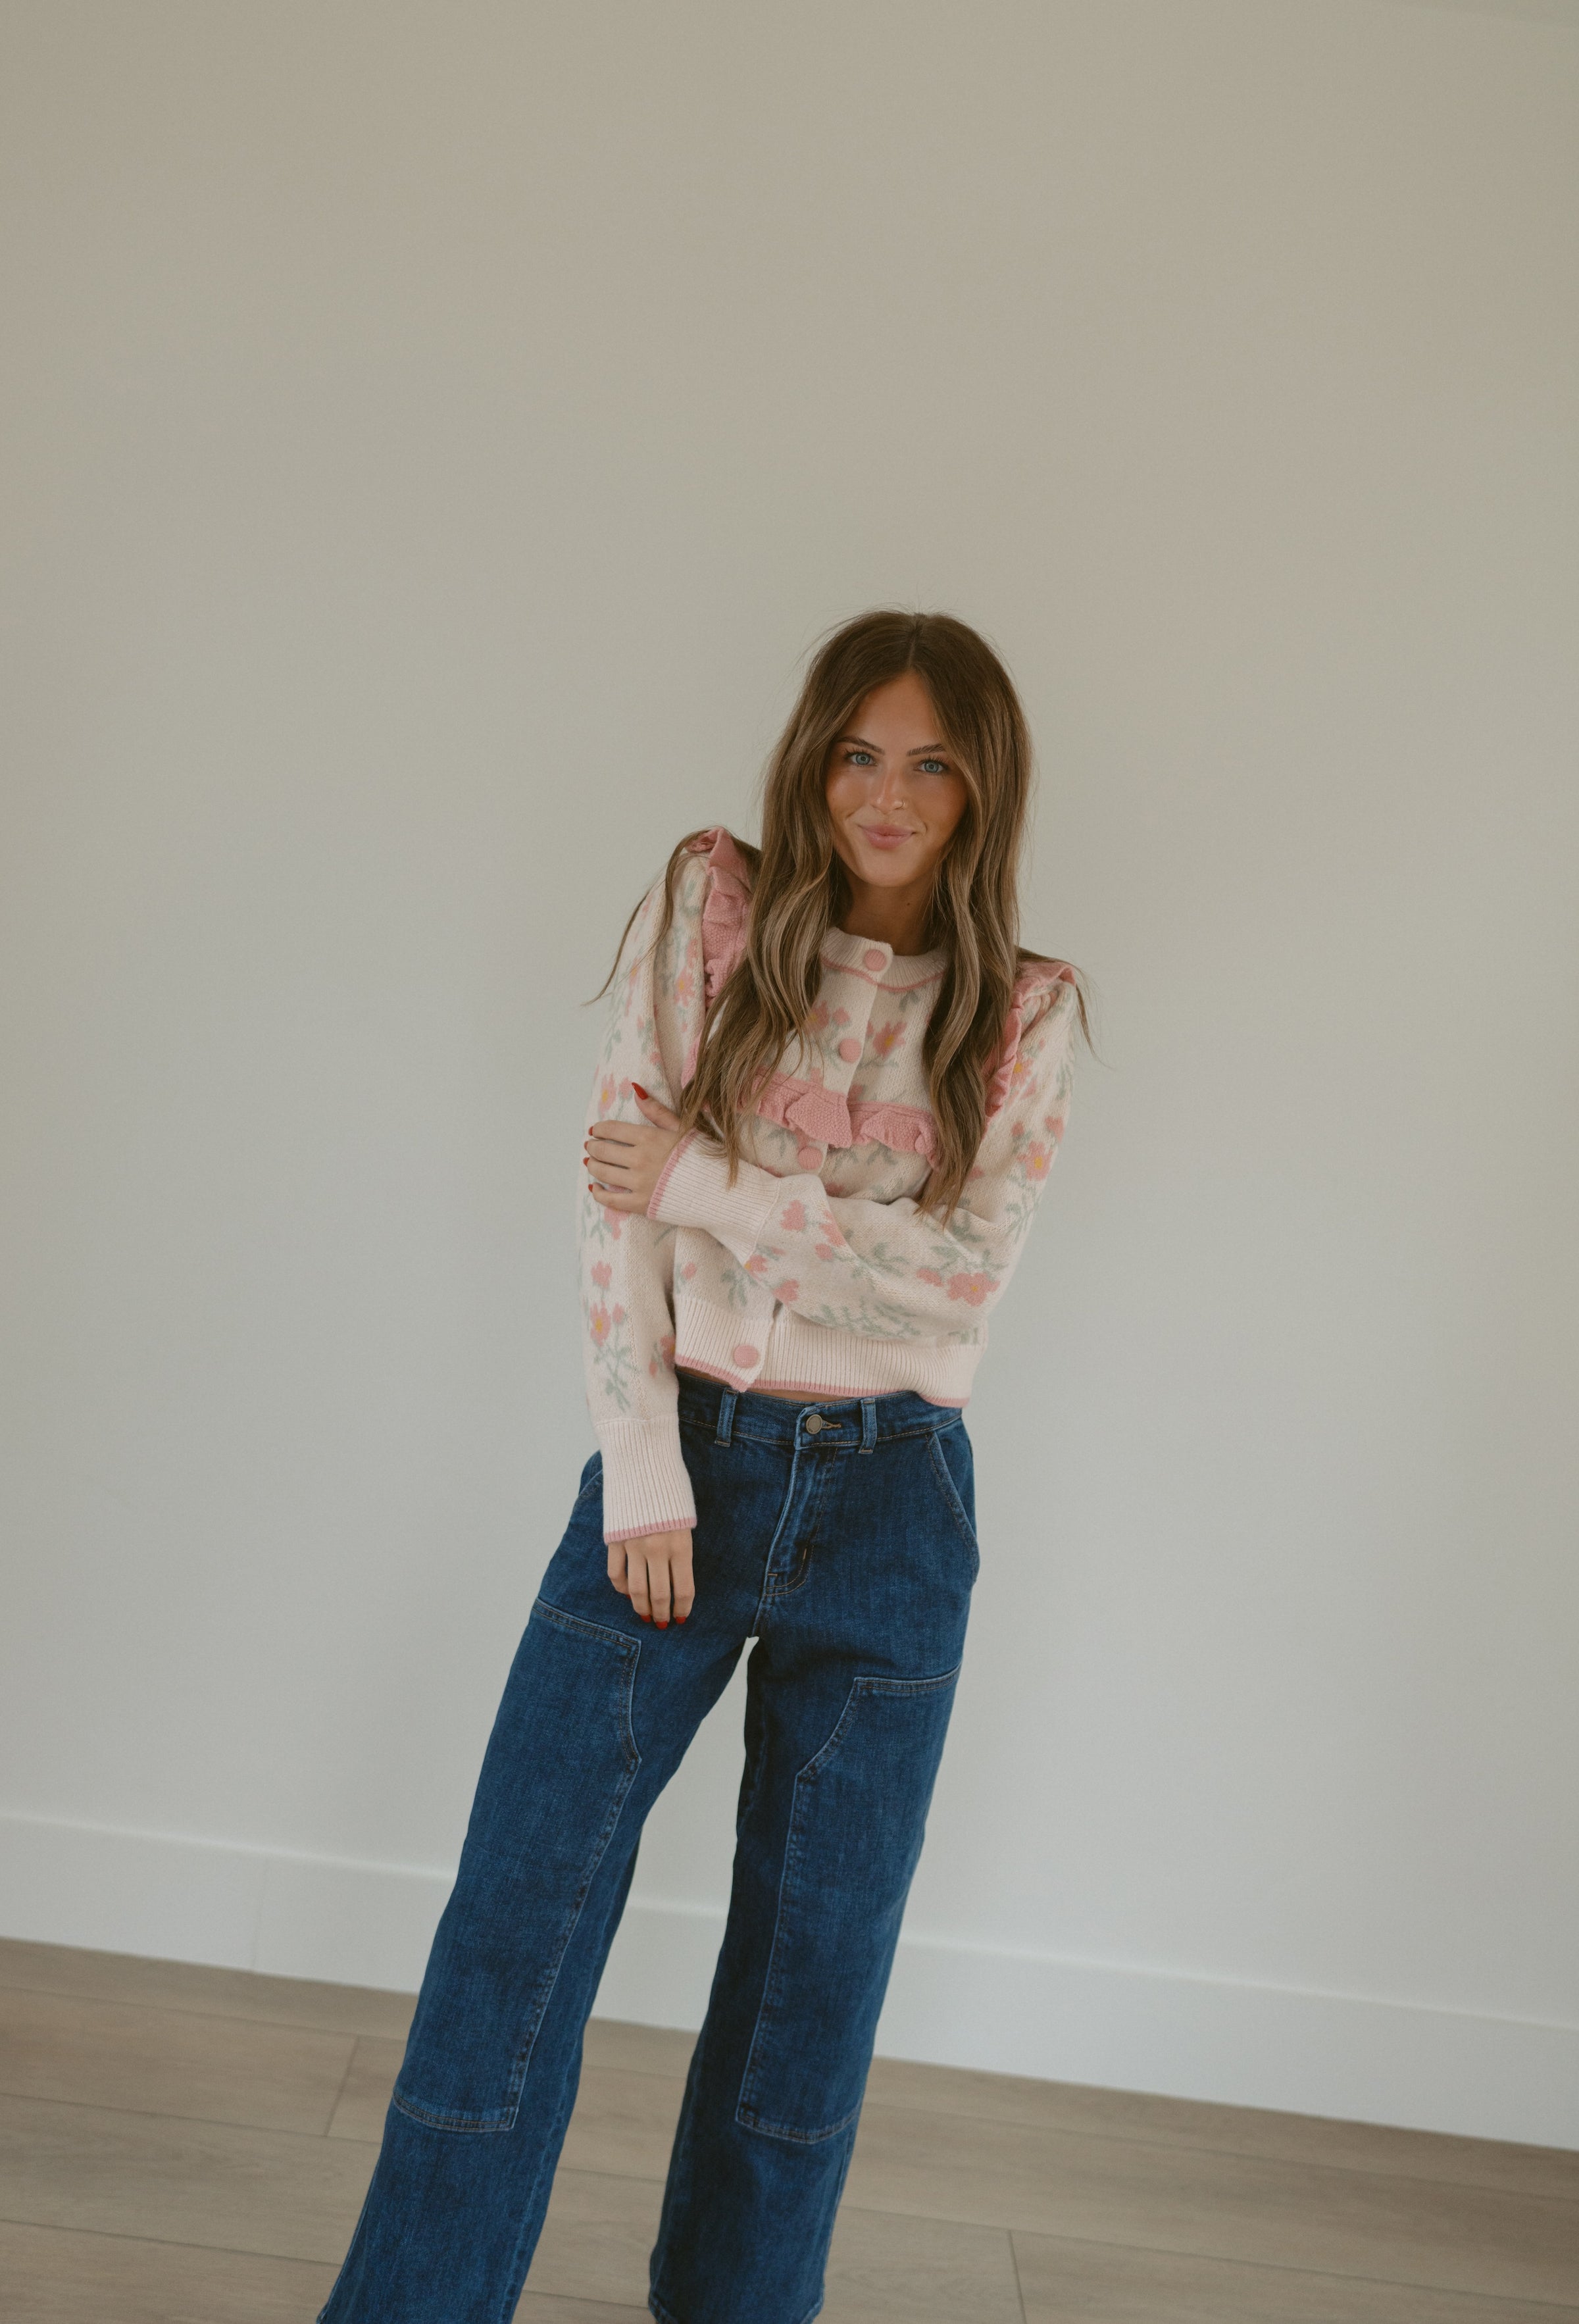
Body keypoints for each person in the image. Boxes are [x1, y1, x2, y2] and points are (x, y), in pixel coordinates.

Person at [316, 609, 1088, 2324]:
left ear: (983, 791)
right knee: (516, 1925)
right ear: (814, 760)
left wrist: (716, 1185)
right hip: (683, 1470)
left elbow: (957, 1287)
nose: (887, 795)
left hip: (896, 1504)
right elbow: (617, 1203)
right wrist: (644, 1473)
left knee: (812, 1983)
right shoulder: (713, 908)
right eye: (858, 752)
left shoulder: (1025, 1014)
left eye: (932, 764)